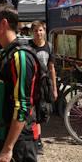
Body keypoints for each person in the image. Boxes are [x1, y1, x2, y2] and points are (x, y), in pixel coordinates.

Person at [0, 3, 37, 162]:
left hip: (16, 142)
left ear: (4, 24)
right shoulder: (3, 53)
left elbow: (22, 105)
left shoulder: (20, 56)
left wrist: (8, 148)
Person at [29, 21, 58, 155]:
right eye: (36, 31)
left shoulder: (49, 47)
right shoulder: (28, 47)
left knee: (41, 112)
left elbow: (51, 68)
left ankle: (37, 140)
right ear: (32, 32)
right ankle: (34, 139)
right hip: (30, 83)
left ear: (44, 31)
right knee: (31, 112)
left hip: (43, 84)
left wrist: (54, 88)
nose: (38, 33)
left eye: (41, 30)